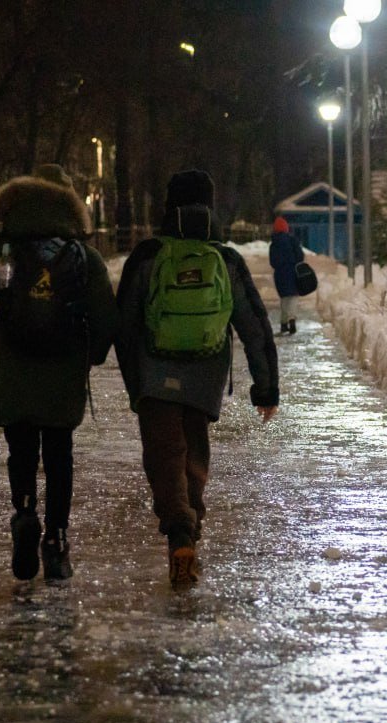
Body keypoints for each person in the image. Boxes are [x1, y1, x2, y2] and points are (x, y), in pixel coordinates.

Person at [115, 169, 279, 586]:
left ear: (169, 207)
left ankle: (179, 531)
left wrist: (135, 382)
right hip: (206, 373)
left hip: (155, 374)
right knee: (193, 451)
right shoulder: (225, 259)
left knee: (164, 452)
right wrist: (265, 388)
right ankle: (192, 526)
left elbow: (123, 323)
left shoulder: (148, 256)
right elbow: (254, 325)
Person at [0, 164, 117, 581]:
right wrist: (93, 355)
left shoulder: (1, 250)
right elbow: (106, 313)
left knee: (22, 448)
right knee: (59, 452)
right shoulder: (83, 255)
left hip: (15, 363)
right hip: (64, 366)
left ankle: (25, 513)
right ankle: (57, 537)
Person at [267, 215, 305, 334]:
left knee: (284, 298)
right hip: (293, 272)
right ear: (286, 228)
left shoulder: (273, 244)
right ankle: (291, 319)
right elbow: (300, 256)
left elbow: (272, 262)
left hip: (280, 274)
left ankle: (284, 323)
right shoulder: (292, 241)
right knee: (293, 296)